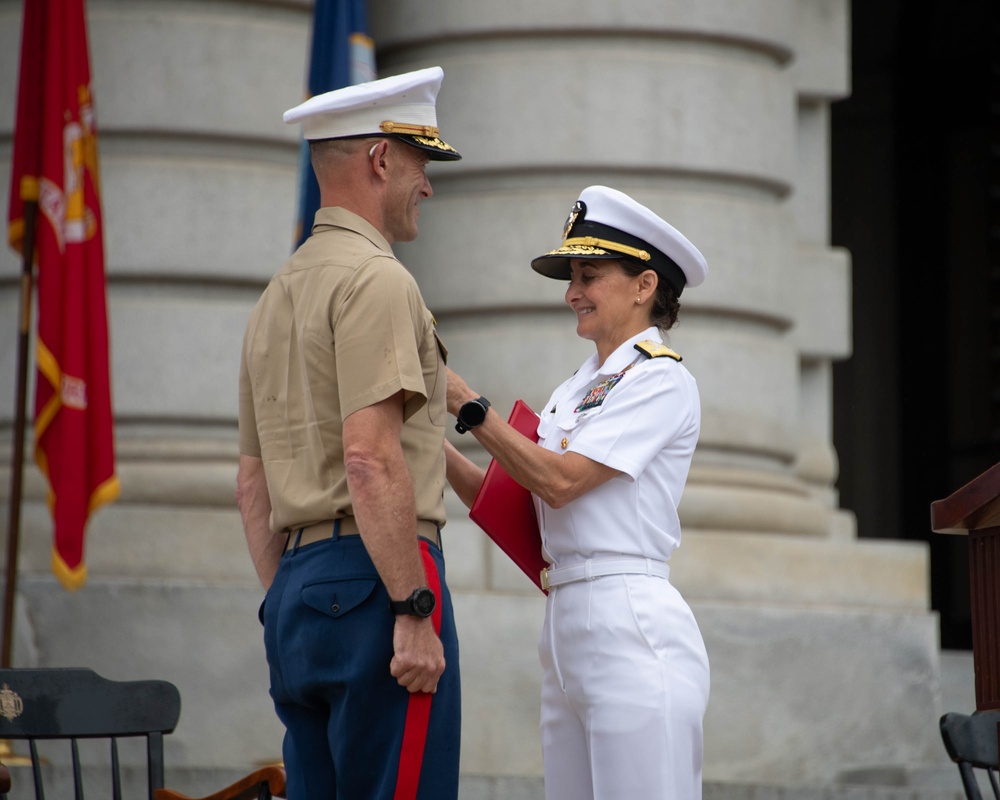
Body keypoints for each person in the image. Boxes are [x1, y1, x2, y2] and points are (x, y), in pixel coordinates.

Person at [236, 66, 463, 800]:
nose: (426, 184)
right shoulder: (380, 279)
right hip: (381, 580)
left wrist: (288, 598)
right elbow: (369, 458)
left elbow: (251, 480)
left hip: (298, 591)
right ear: (380, 160)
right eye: (421, 163)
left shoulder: (277, 293)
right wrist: (410, 607)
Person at [444, 185, 712, 800]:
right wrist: (422, 440)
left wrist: (465, 403)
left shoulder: (660, 379)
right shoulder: (578, 386)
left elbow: (559, 483)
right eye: (572, 277)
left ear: (644, 286)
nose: (572, 293)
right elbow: (513, 499)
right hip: (565, 622)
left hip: (629, 620)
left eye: (589, 275)